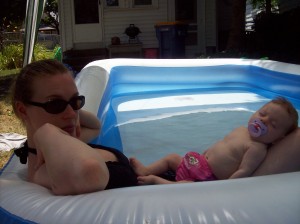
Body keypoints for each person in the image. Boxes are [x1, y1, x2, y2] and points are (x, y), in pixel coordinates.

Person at [12, 59, 137, 195]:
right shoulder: (42, 169)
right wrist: (47, 132)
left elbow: (95, 126)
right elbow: (90, 173)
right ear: (23, 110)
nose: (71, 114)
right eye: (55, 104)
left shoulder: (66, 141)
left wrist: (74, 112)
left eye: (75, 101)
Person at [130, 97, 299, 185]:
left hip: (207, 179)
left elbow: (244, 171)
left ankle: (157, 181)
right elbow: (222, 145)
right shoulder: (241, 130)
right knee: (172, 158)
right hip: (199, 162)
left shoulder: (257, 148)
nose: (263, 121)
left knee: (186, 186)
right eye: (262, 114)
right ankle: (146, 170)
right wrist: (206, 153)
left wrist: (223, 188)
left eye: (273, 124)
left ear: (279, 138)